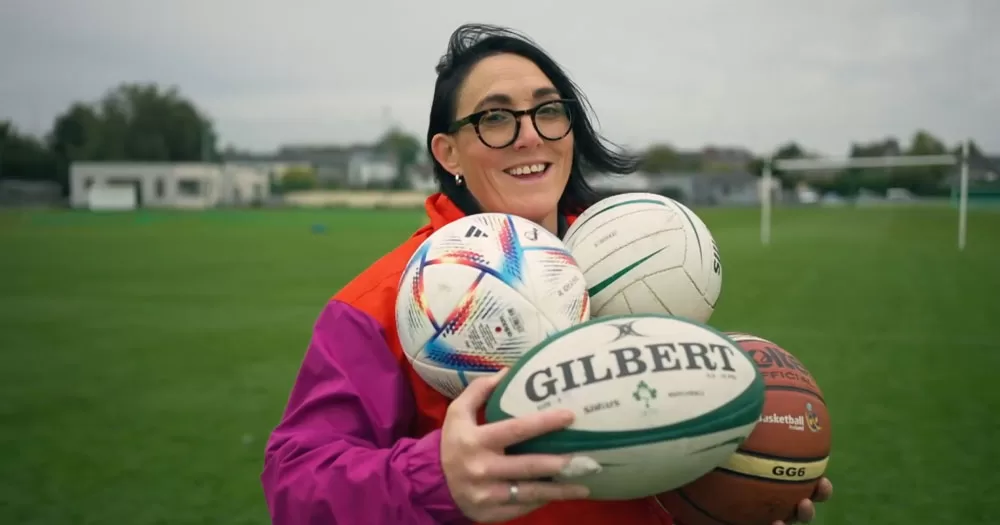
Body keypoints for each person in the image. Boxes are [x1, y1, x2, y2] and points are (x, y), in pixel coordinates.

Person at [260, 23, 834, 525]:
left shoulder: (633, 259)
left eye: (548, 109)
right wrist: (436, 478)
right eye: (495, 118)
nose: (530, 133)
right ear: (448, 153)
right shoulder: (378, 304)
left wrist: (736, 484)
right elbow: (295, 485)